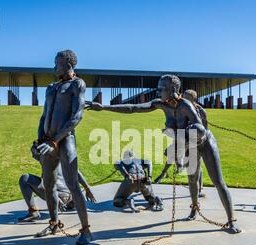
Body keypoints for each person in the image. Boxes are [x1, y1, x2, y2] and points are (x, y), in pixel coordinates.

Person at [87, 75, 240, 233]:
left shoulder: (185, 105)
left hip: (205, 143)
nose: (158, 91)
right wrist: (103, 107)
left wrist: (179, 144)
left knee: (218, 181)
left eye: (162, 88)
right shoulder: (160, 104)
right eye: (158, 88)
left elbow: (200, 130)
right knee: (192, 179)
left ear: (173, 89)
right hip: (189, 145)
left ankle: (231, 220)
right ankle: (194, 208)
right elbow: (133, 108)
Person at [34, 50, 92, 245]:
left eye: (57, 63)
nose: (54, 67)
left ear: (68, 64)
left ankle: (86, 230)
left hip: (65, 140)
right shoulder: (51, 87)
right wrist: (40, 140)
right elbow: (44, 115)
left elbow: (77, 116)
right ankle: (54, 222)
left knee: (72, 184)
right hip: (48, 140)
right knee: (49, 184)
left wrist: (55, 141)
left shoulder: (77, 84)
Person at [18, 141, 96, 222]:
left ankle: (33, 212)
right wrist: (87, 188)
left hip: (58, 197)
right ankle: (70, 203)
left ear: (39, 151)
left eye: (33, 153)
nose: (33, 156)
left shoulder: (45, 158)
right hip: (69, 195)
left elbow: (48, 182)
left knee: (25, 178)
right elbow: (75, 171)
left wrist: (56, 198)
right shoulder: (58, 154)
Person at [154, 89, 207, 198]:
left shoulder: (199, 111)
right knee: (171, 154)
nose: (183, 99)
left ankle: (200, 188)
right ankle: (167, 171)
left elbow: (204, 130)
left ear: (193, 99)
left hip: (195, 142)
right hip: (181, 138)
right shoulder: (180, 107)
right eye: (183, 96)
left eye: (186, 97)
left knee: (197, 166)